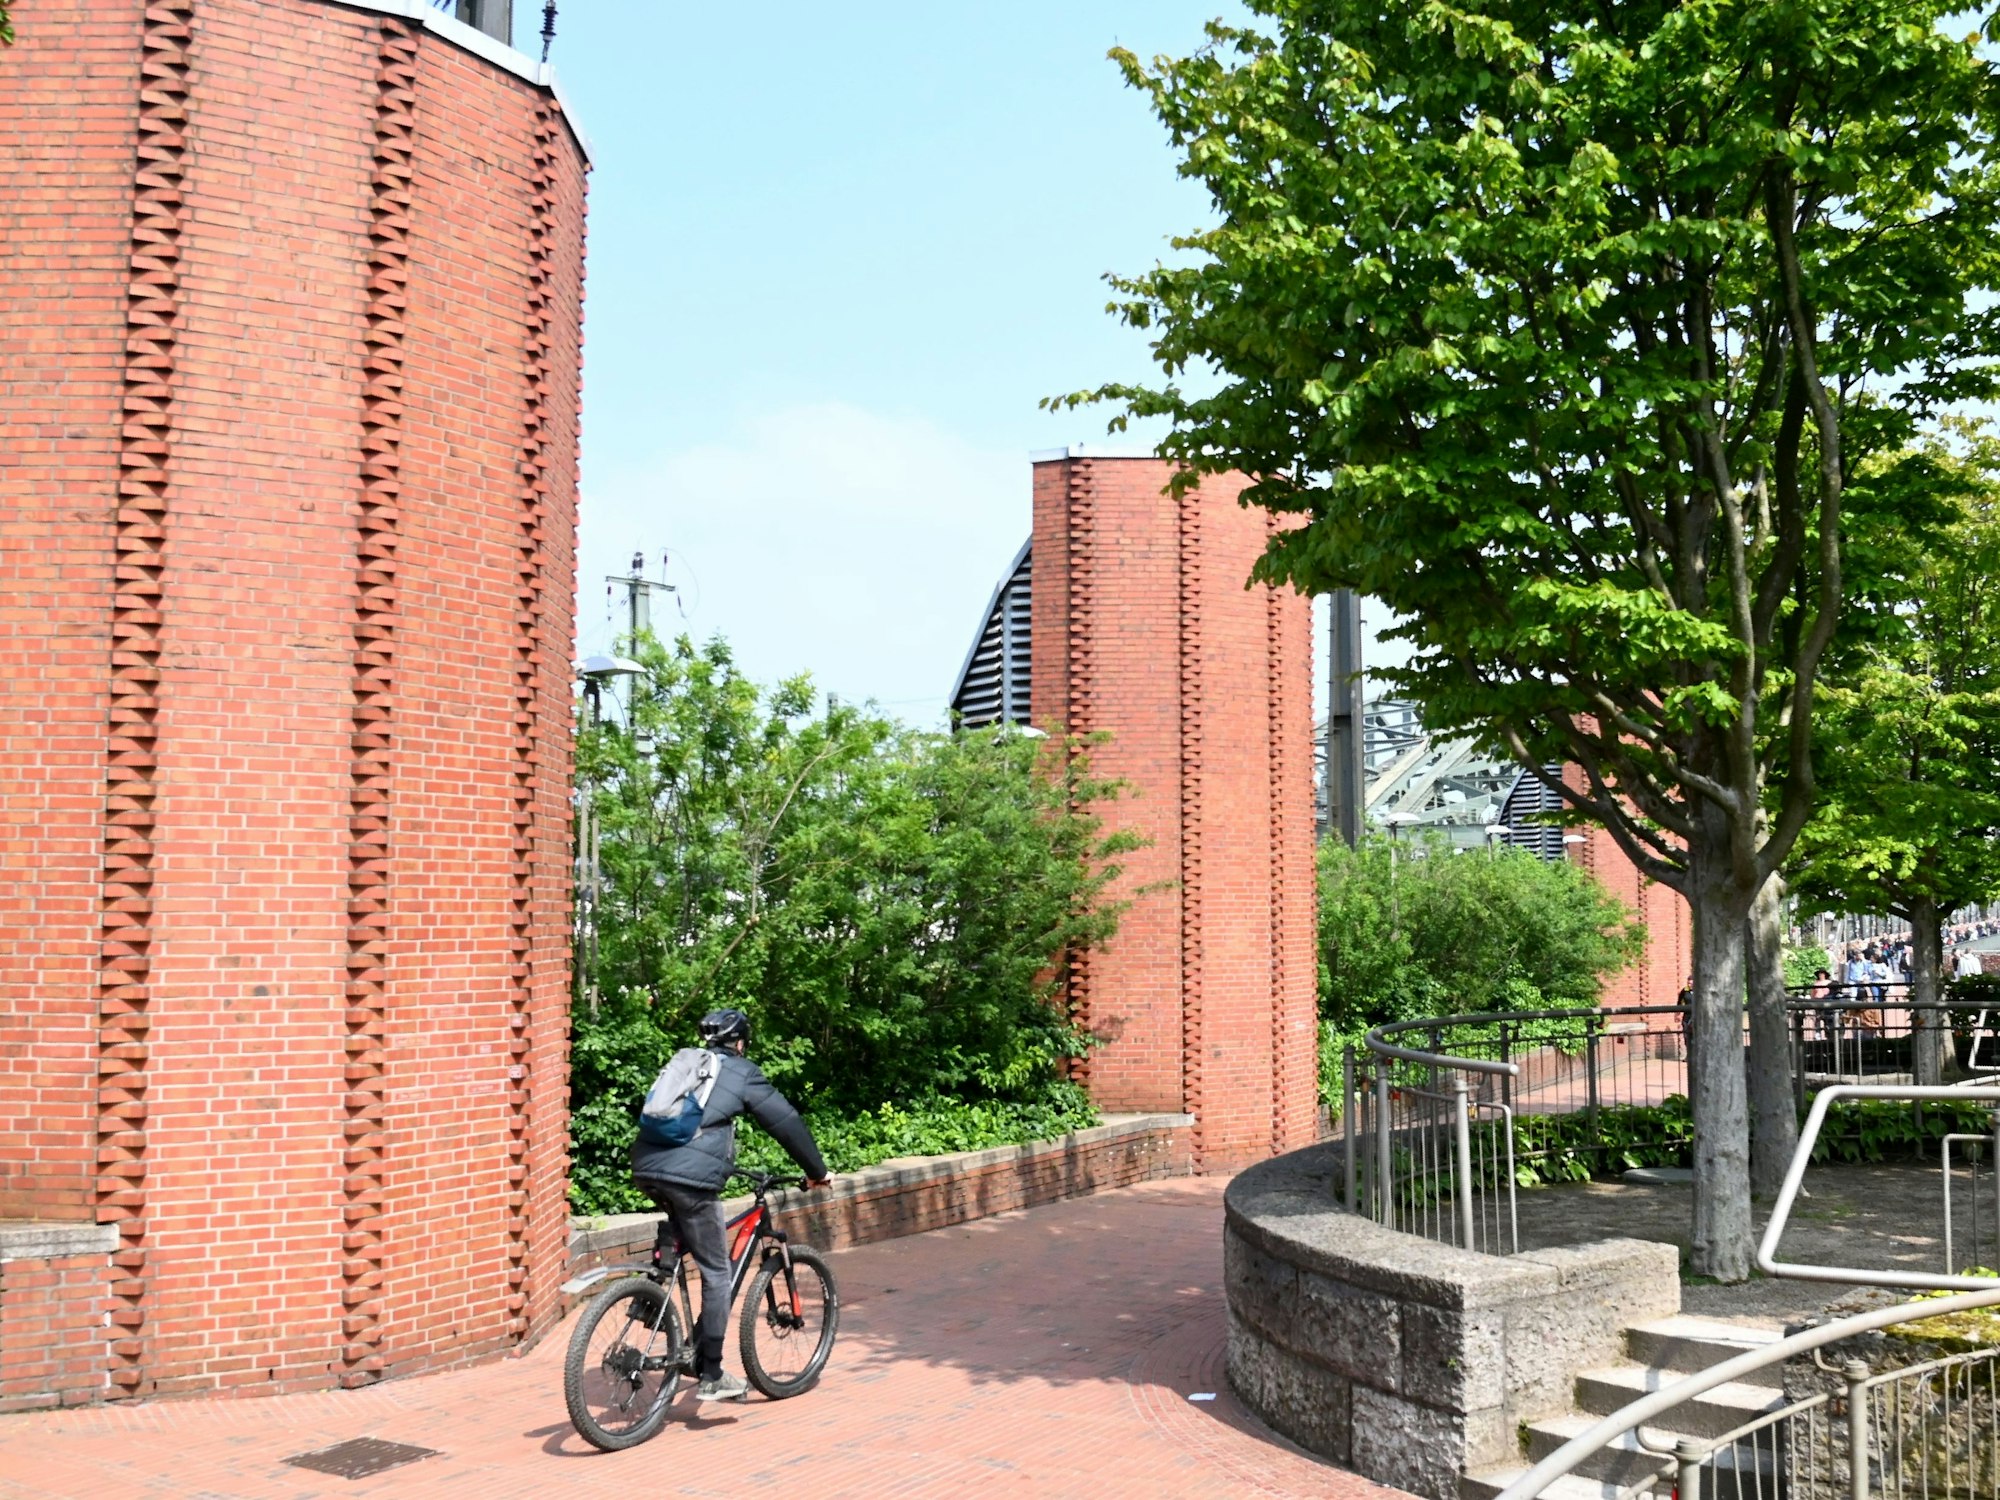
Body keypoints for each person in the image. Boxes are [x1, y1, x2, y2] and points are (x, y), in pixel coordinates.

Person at [631, 1008, 831, 1403]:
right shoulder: (741, 1072)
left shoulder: (689, 1064)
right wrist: (817, 1171)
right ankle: (711, 1373)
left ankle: (650, 1297)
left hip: (646, 1166)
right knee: (717, 1273)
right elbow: (785, 1121)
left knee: (681, 1227)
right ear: (740, 1043)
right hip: (690, 1179)